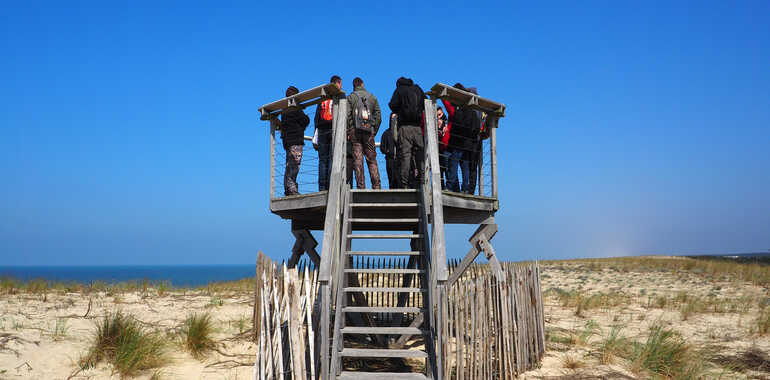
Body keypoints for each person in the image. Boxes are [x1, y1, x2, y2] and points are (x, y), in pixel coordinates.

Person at [388, 77, 427, 188]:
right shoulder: (418, 89)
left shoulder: (400, 90)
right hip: (418, 128)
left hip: (404, 127)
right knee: (420, 154)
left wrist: (400, 109)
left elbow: (392, 105)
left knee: (405, 156)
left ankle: (404, 184)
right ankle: (422, 180)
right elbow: (426, 102)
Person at [442, 83, 479, 193]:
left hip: (457, 142)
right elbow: (476, 126)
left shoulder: (459, 109)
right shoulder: (473, 111)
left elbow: (456, 119)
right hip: (468, 143)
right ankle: (466, 189)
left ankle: (449, 187)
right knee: (465, 167)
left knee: (453, 165)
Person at [346, 77, 382, 189]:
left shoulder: (351, 97)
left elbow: (346, 115)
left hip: (355, 132)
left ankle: (361, 187)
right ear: (362, 84)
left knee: (358, 159)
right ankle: (376, 186)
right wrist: (373, 130)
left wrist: (349, 130)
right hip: (368, 131)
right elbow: (379, 116)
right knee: (371, 159)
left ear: (354, 85)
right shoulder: (372, 97)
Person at [279, 86, 310, 196]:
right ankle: (292, 189)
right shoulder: (296, 110)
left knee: (289, 165)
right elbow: (305, 121)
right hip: (296, 140)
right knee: (294, 166)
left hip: (287, 141)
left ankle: (288, 189)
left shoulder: (283, 111)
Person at [313, 75, 342, 191]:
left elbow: (316, 117)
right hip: (333, 129)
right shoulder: (338, 97)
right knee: (332, 158)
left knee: (322, 160)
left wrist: (316, 132)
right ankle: (331, 187)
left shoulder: (322, 98)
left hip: (321, 130)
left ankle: (322, 188)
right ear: (337, 83)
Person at [466, 87, 483, 195]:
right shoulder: (481, 109)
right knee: (473, 167)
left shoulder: (470, 108)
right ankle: (471, 189)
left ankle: (468, 188)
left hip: (470, 140)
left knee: (468, 165)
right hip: (478, 140)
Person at [380, 113, 400, 189]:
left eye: (395, 118)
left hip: (399, 160)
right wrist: (387, 151)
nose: (394, 120)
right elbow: (382, 147)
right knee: (391, 181)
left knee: (400, 181)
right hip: (390, 160)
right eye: (392, 118)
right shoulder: (386, 133)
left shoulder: (401, 132)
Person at [436, 106, 449, 189]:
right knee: (439, 170)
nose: (438, 117)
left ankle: (449, 187)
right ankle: (441, 187)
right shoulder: (433, 124)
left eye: (440, 115)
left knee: (447, 169)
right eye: (437, 115)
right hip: (437, 150)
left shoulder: (446, 123)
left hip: (445, 149)